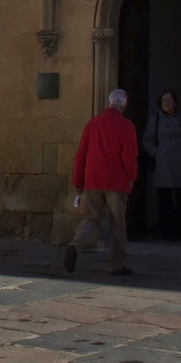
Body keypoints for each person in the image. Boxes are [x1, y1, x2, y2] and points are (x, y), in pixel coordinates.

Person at [66, 88, 139, 276]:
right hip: (117, 182)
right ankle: (117, 265)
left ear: (109, 102)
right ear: (125, 105)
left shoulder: (92, 124)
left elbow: (81, 155)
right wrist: (132, 178)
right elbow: (129, 157)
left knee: (92, 218)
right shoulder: (127, 126)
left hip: (93, 180)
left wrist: (78, 181)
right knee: (118, 224)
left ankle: (75, 245)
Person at [143, 90, 181, 241]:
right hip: (163, 164)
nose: (167, 103)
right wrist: (156, 152)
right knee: (165, 201)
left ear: (175, 103)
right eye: (164, 100)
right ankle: (166, 232)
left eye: (169, 100)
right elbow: (147, 139)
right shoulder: (155, 119)